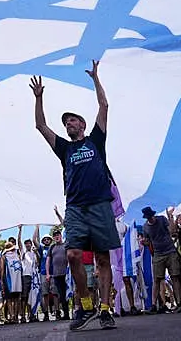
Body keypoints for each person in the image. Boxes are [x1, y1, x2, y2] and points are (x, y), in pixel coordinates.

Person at [30, 59, 119, 331]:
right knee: (72, 256)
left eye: (71, 120)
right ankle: (85, 305)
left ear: (81, 123)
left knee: (103, 258)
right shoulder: (64, 149)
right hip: (76, 208)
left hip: (100, 205)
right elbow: (41, 126)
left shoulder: (95, 140)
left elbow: (104, 106)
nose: (68, 124)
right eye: (66, 122)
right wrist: (39, 98)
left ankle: (104, 309)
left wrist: (95, 79)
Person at [142, 207, 181, 313]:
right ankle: (154, 305)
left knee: (175, 277)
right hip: (158, 254)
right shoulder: (145, 227)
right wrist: (144, 242)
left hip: (170, 251)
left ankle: (179, 303)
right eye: (148, 218)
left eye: (151, 217)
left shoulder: (162, 219)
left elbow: (171, 231)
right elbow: (148, 241)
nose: (151, 219)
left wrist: (170, 218)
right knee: (157, 279)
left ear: (153, 215)